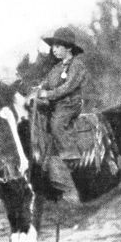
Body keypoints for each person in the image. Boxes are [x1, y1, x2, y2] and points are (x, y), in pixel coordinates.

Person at [29, 27, 89, 188]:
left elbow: (68, 87)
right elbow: (46, 84)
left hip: (70, 104)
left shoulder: (77, 66)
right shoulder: (56, 69)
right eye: (53, 47)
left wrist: (47, 95)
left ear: (68, 48)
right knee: (39, 122)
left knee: (57, 124)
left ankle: (72, 157)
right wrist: (35, 91)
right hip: (56, 104)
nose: (53, 50)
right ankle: (45, 162)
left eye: (57, 46)